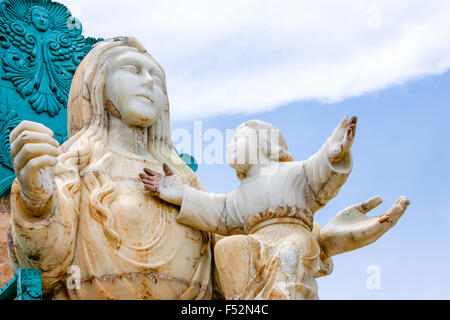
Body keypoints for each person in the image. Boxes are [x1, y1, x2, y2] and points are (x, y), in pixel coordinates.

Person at [7, 37, 213, 299]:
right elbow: (43, 268)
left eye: (158, 80)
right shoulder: (71, 167)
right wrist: (35, 200)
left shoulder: (185, 179)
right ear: (98, 83)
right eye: (132, 69)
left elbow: (226, 238)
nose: (149, 82)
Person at [141, 119, 409, 299]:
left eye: (238, 140)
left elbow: (320, 170)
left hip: (294, 236)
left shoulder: (294, 173)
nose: (230, 146)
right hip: (257, 240)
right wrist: (178, 193)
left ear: (264, 143)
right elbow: (213, 210)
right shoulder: (238, 196)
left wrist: (333, 152)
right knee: (227, 247)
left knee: (288, 252)